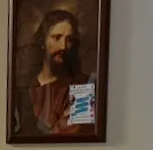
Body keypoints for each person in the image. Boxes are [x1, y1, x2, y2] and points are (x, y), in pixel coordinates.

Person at [13, 8, 93, 136]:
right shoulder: (21, 85)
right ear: (42, 41)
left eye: (70, 40)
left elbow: (76, 133)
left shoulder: (84, 87)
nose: (63, 46)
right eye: (56, 38)